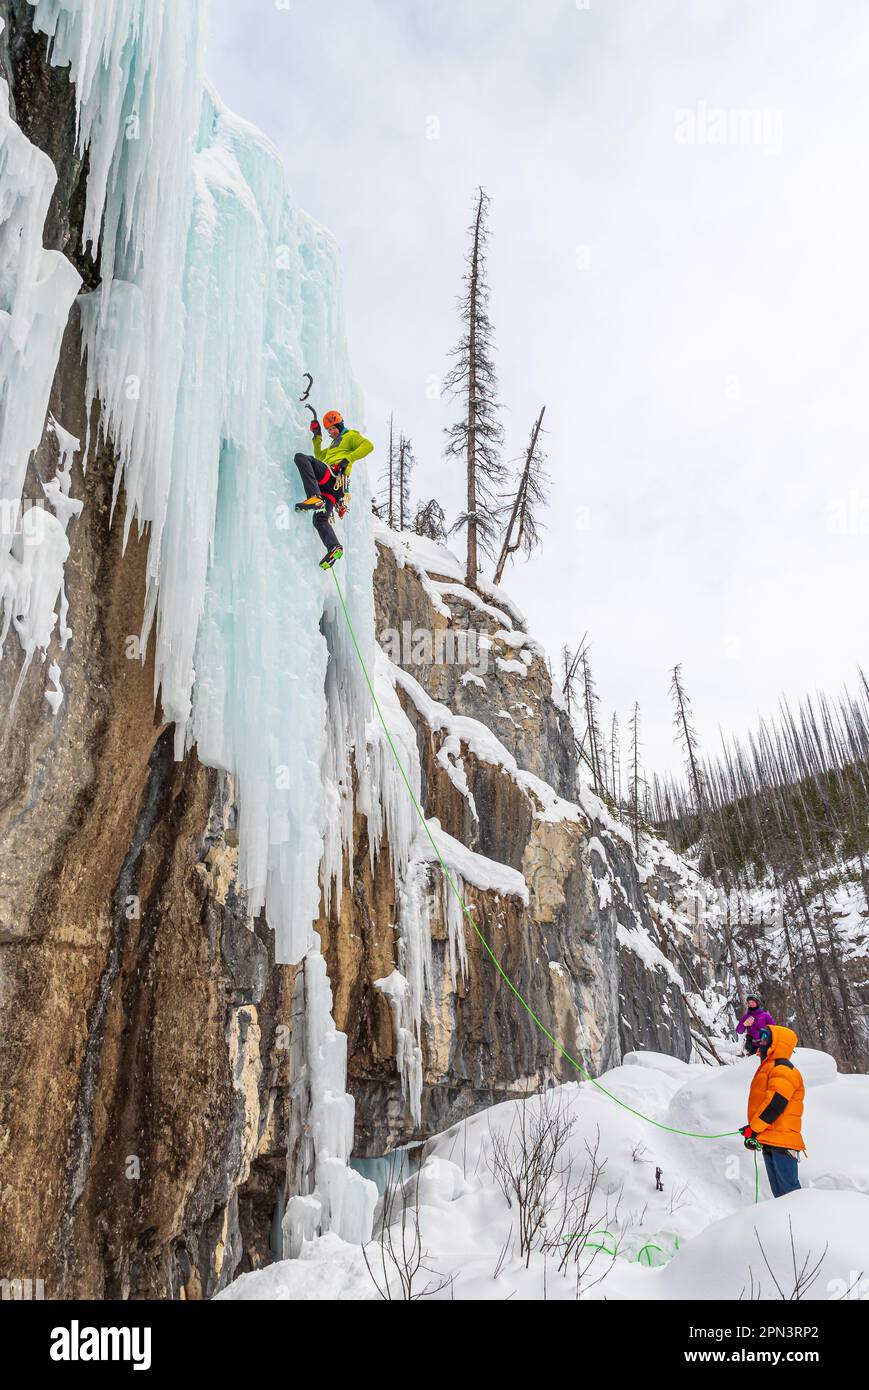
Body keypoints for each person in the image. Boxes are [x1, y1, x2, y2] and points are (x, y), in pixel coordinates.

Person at [293, 409, 374, 569]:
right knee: (319, 519)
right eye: (328, 430)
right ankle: (334, 547)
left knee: (301, 458)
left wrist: (347, 459)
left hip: (333, 477)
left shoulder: (350, 436)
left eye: (333, 428)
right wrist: (317, 436)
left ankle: (314, 496)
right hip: (334, 492)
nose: (331, 432)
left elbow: (368, 446)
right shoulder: (332, 445)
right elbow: (319, 456)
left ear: (339, 424)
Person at [739, 1025, 805, 1199]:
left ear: (778, 1043)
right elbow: (764, 1105)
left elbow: (775, 1104)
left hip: (783, 1142)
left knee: (790, 1195)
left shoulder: (783, 1070)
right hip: (772, 1139)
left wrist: (754, 1129)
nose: (761, 1042)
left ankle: (803, 1225)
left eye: (766, 1038)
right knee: (781, 1197)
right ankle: (788, 1226)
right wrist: (752, 1131)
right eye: (761, 1038)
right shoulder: (770, 1068)